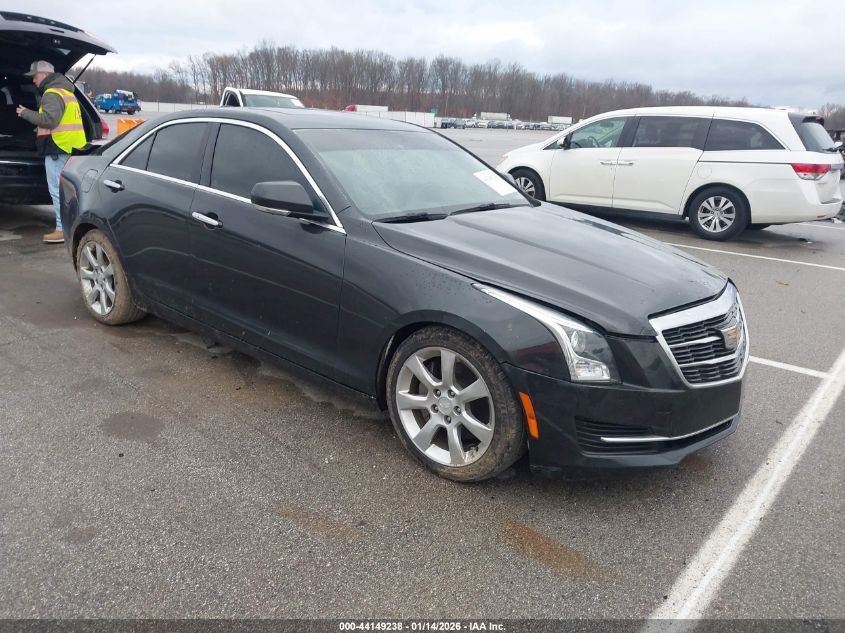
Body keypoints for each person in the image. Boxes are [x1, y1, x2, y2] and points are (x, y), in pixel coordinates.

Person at [15, 60, 87, 244]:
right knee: (70, 192)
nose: (34, 81)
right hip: (72, 147)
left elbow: (49, 120)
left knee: (57, 191)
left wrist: (25, 113)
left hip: (58, 148)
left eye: (35, 76)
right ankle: (72, 227)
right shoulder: (66, 92)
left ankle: (61, 230)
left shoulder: (51, 93)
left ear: (45, 75)